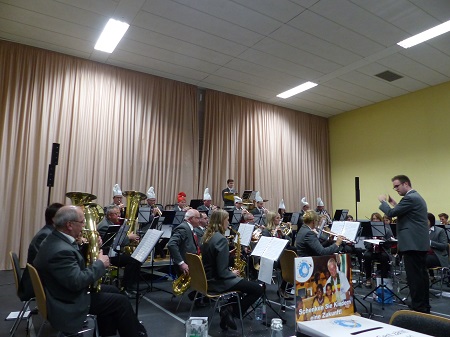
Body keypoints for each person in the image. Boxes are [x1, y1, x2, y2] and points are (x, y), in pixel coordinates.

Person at [33, 205, 147, 337]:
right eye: (82, 222)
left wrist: (90, 246)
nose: (84, 226)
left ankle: (108, 333)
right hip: (67, 301)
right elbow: (77, 281)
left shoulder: (54, 239)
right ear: (69, 225)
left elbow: (72, 264)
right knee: (121, 302)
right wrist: (100, 264)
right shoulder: (60, 250)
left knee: (114, 291)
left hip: (60, 291)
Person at [201, 209, 263, 330]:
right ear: (220, 222)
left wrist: (227, 254)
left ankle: (228, 310)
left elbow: (213, 258)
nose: (228, 222)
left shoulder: (207, 237)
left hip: (207, 279)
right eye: (227, 220)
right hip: (218, 282)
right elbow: (222, 272)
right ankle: (231, 312)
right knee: (257, 289)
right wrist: (233, 273)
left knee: (244, 286)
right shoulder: (221, 239)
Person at [378, 174, 430, 313]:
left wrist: (383, 201)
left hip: (412, 244)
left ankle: (418, 307)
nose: (395, 189)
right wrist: (394, 202)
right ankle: (424, 305)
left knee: (415, 278)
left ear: (406, 184)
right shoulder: (415, 197)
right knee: (421, 276)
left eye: (397, 186)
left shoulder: (410, 198)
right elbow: (402, 212)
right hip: (418, 243)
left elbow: (391, 213)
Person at [19, 203, 64, 300]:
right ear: (54, 219)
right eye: (64, 217)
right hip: (37, 284)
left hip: (41, 279)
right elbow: (50, 263)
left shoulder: (48, 232)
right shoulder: (46, 236)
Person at [97, 205, 142, 294]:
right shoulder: (105, 226)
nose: (119, 215)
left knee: (136, 260)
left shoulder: (112, 223)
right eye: (116, 214)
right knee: (133, 261)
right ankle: (126, 287)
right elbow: (115, 242)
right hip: (108, 255)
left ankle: (129, 286)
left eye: (119, 213)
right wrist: (128, 237)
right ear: (109, 215)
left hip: (113, 252)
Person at [363, 213, 394, 287]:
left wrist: (383, 241)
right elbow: (366, 243)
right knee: (366, 256)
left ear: (380, 220)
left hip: (382, 251)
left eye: (377, 219)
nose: (375, 220)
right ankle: (368, 278)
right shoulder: (369, 230)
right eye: (373, 219)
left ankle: (384, 279)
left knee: (384, 257)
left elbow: (390, 243)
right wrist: (371, 242)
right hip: (372, 250)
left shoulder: (386, 230)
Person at [167, 209, 202, 275]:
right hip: (185, 265)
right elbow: (171, 244)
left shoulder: (190, 228)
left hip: (191, 263)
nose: (199, 220)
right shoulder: (183, 228)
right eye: (198, 218)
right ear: (191, 219)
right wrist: (181, 263)